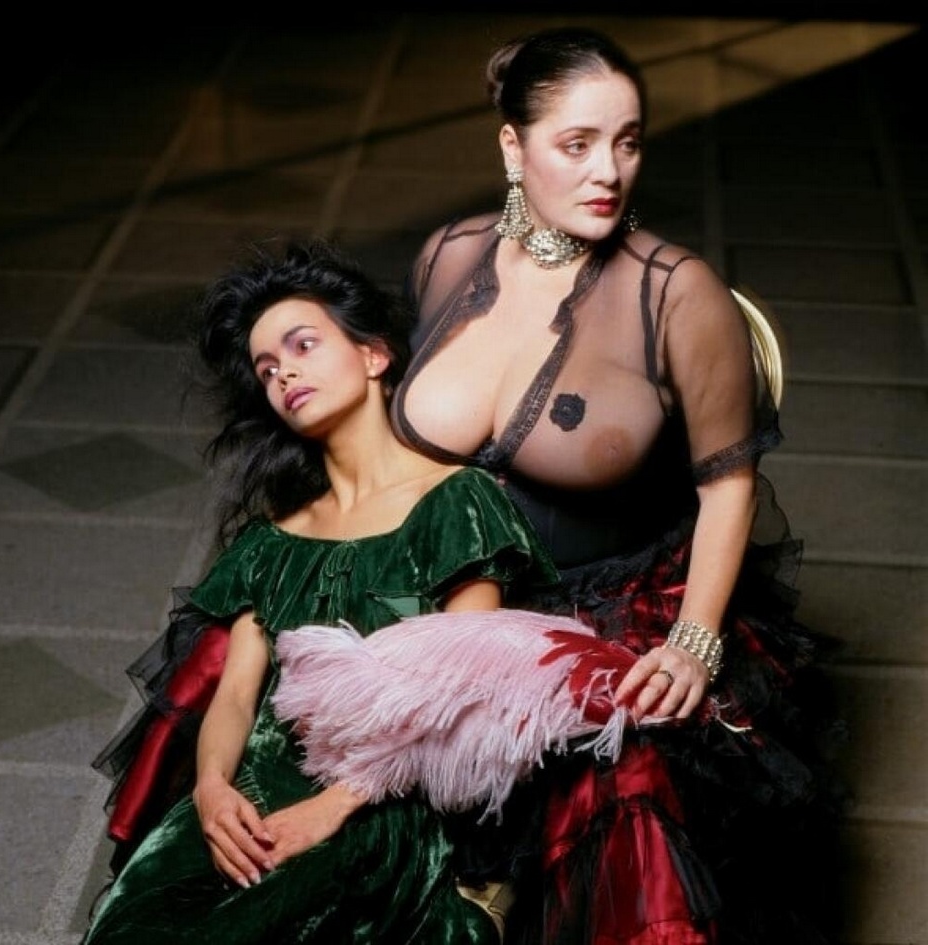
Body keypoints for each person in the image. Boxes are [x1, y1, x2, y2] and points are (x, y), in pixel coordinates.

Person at [390, 26, 847, 945]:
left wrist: (694, 644)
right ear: (513, 147)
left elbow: (728, 487)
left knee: (621, 820)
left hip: (609, 607)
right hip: (446, 590)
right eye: (578, 144)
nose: (609, 171)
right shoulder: (447, 256)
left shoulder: (678, 293)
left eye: (628, 142)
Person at [81, 238, 559, 944]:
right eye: (267, 368)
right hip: (252, 789)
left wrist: (333, 808)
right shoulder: (273, 541)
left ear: (374, 356)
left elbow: (466, 690)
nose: (284, 374)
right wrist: (211, 792)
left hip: (382, 801)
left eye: (303, 345)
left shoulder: (458, 502)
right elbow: (236, 695)